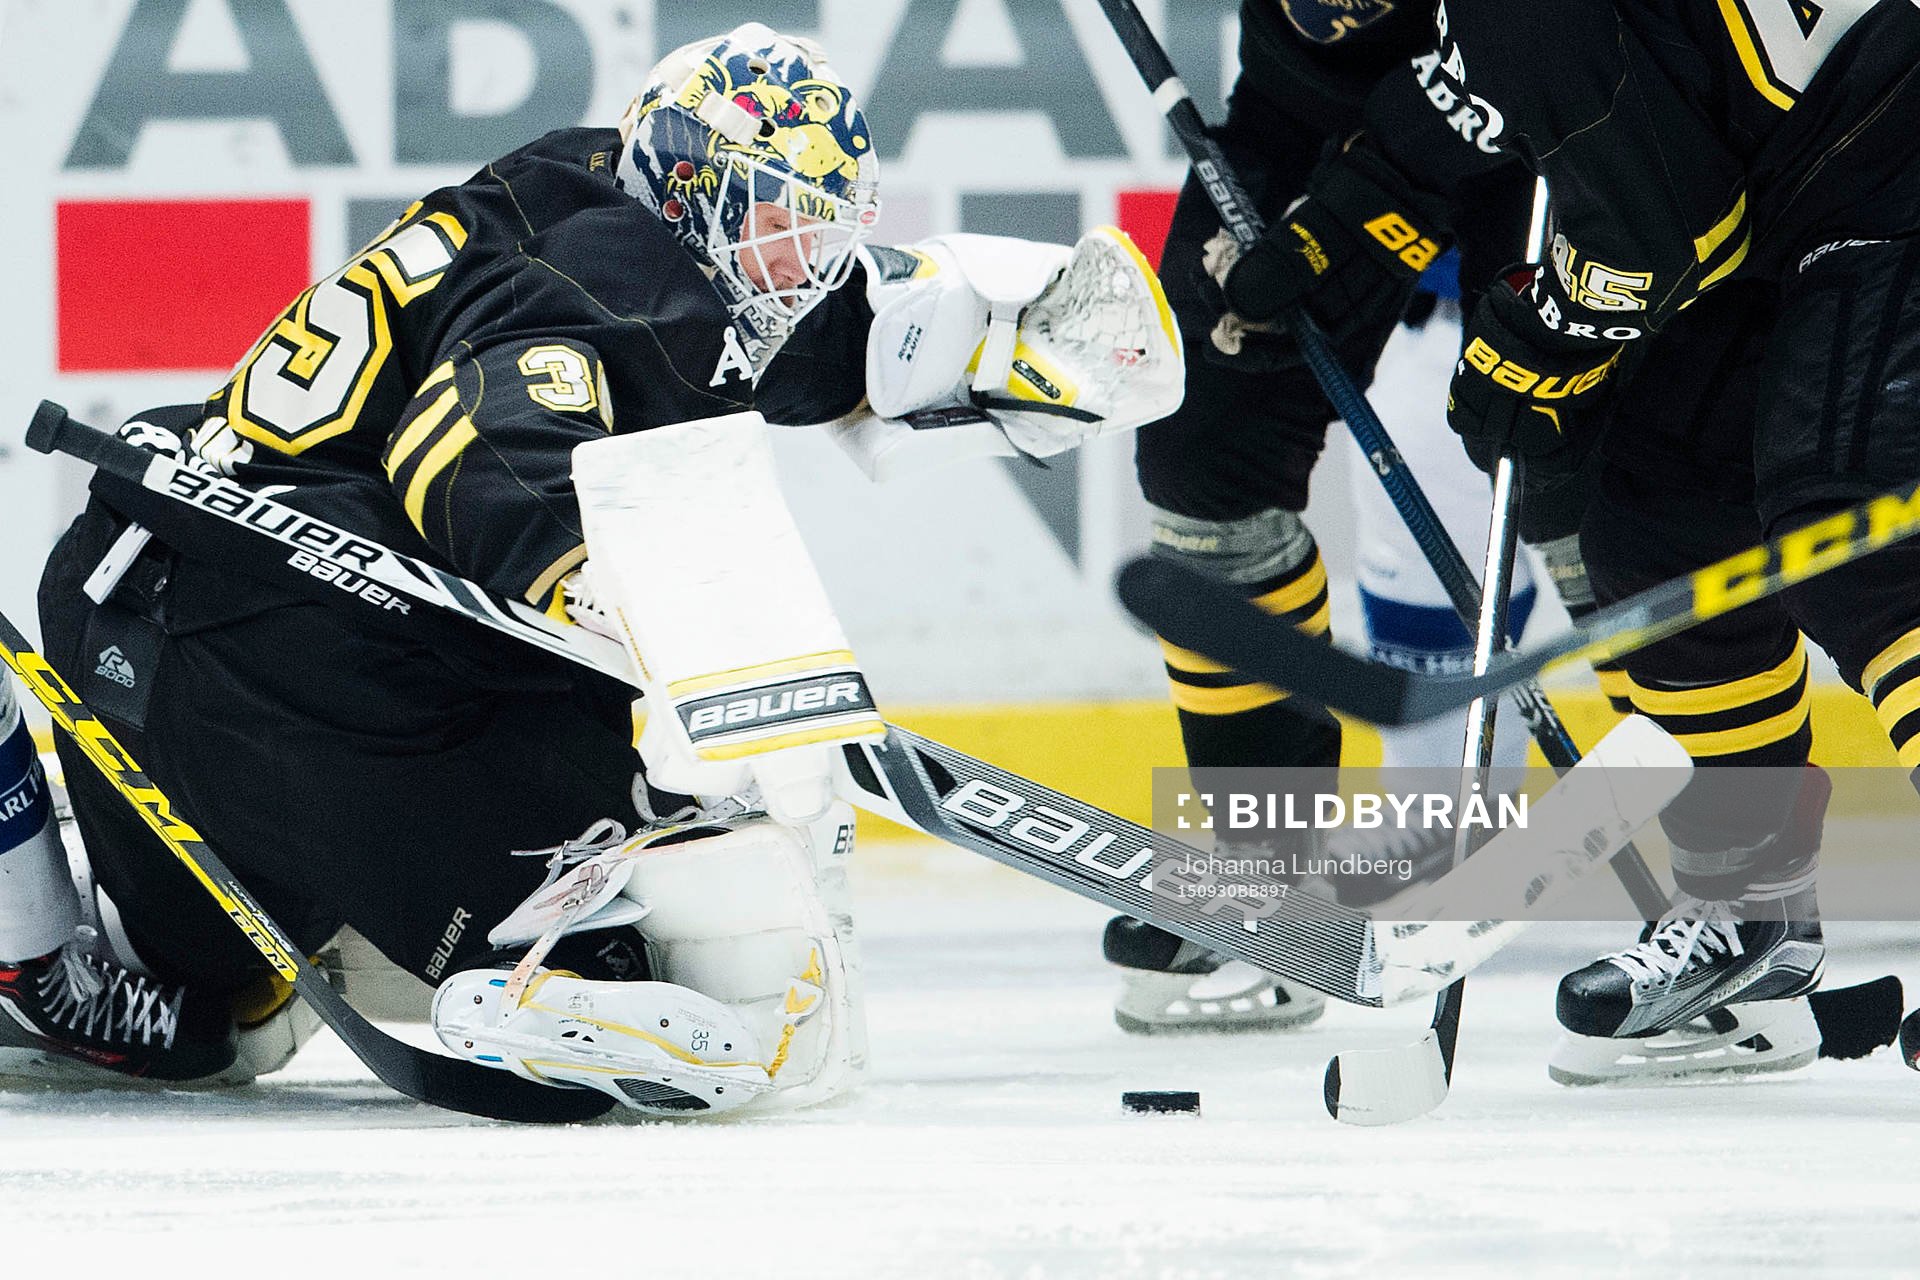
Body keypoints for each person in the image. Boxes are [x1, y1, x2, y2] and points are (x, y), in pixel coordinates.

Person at [0, 23, 1180, 1113]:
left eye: (820, 222)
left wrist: (1005, 331)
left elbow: (798, 321)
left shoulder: (604, 201)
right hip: (224, 634)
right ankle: (46, 946)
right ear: (690, 190)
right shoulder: (606, 281)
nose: (802, 259)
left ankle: (153, 916)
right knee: (569, 945)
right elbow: (472, 451)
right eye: (779, 220)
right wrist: (646, 613)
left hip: (263, 606)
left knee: (259, 1005)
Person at [1412, 0, 1920, 1074]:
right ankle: (1750, 913)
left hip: (1892, 163)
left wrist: (1533, 349)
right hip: (1812, 187)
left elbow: (1656, 235)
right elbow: (1680, 204)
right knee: (1659, 517)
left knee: (1857, 536)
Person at [1103, 0, 1570, 1033]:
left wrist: (1349, 210)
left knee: (1604, 474)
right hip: (1307, 100)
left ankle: (1746, 905)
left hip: (1557, 108)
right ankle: (1268, 887)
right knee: (1206, 454)